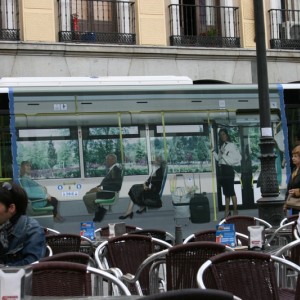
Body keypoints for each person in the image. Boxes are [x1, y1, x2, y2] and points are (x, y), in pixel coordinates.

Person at [0, 182, 46, 266]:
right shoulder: (2, 225)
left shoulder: (32, 230)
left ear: (11, 208)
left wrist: (4, 269)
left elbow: (33, 265)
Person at [83, 154, 122, 222]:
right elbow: (109, 182)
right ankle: (99, 210)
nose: (106, 161)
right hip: (105, 190)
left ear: (113, 160)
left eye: (108, 160)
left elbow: (117, 186)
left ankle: (100, 211)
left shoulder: (116, 170)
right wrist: (99, 187)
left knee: (86, 198)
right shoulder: (112, 169)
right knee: (88, 193)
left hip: (108, 193)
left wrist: (102, 188)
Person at [212, 128, 241, 218]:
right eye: (221, 135)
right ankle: (227, 212)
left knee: (231, 192)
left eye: (224, 134)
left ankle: (235, 212)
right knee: (226, 193)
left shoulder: (231, 145)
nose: (222, 136)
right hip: (223, 171)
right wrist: (213, 151)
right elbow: (218, 159)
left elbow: (238, 158)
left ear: (227, 135)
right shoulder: (222, 146)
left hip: (228, 170)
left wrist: (225, 156)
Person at [283, 145, 300, 215]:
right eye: (293, 156)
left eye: (296, 156)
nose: (293, 158)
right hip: (295, 206)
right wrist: (286, 204)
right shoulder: (294, 170)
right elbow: (289, 189)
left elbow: (294, 190)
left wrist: (297, 191)